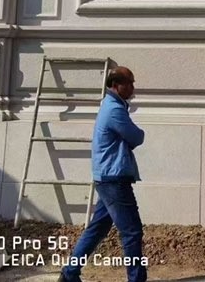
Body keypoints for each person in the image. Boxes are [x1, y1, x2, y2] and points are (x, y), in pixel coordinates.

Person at [59, 66, 147, 282]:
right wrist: (137, 134)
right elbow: (136, 137)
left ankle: (70, 273)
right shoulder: (114, 110)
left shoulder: (111, 106)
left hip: (107, 177)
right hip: (114, 179)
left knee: (97, 228)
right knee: (132, 231)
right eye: (129, 83)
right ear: (116, 85)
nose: (133, 88)